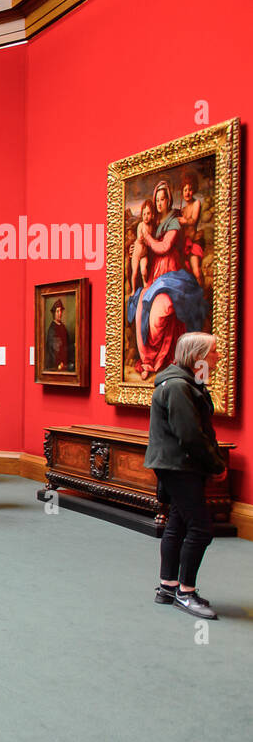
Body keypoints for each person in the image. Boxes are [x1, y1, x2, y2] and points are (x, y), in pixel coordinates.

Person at [145, 332, 225, 619]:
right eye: (213, 352)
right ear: (198, 355)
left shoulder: (187, 382)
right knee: (201, 529)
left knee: (177, 523)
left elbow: (201, 427)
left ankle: (168, 587)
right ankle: (185, 592)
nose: (217, 357)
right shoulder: (179, 386)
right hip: (180, 465)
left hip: (179, 465)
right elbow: (190, 435)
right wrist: (215, 465)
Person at [129, 179, 208, 379]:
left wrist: (146, 239)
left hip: (171, 273)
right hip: (155, 274)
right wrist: (137, 248)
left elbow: (163, 247)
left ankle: (162, 357)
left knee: (159, 312)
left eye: (163, 199)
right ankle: (147, 361)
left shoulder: (174, 221)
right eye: (157, 200)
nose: (159, 203)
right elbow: (147, 248)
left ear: (169, 200)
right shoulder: (154, 223)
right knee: (140, 307)